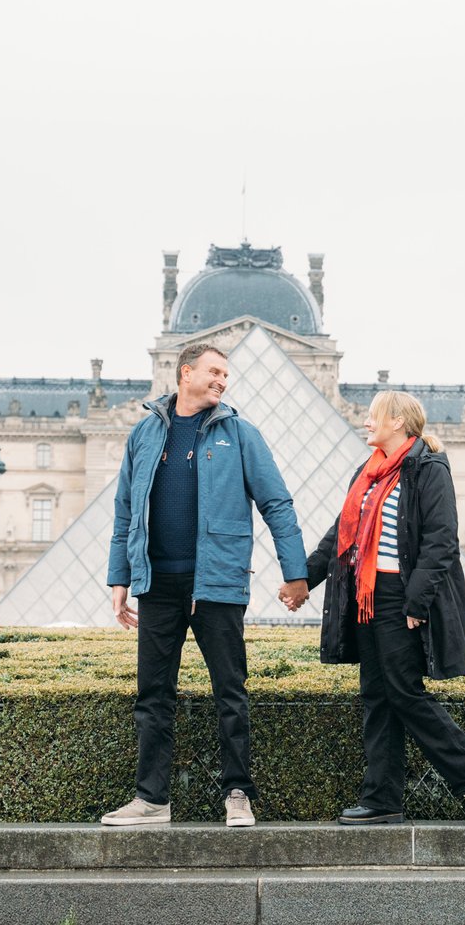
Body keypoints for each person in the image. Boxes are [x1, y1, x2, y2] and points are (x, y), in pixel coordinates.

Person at [101, 341, 310, 828]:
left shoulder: (240, 434)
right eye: (214, 371)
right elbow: (125, 511)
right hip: (157, 583)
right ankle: (152, 800)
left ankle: (238, 794)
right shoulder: (144, 433)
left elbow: (277, 503)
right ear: (185, 373)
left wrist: (296, 572)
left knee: (230, 693)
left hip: (216, 582)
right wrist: (120, 577)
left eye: (225, 375)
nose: (222, 380)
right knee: (153, 695)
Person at [293, 389, 465, 825]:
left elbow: (441, 540)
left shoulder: (428, 468)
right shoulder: (368, 473)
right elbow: (341, 536)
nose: (366, 421)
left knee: (404, 692)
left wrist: (416, 601)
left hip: (399, 596)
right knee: (377, 695)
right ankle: (382, 798)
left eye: (373, 415)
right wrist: (302, 579)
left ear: (397, 421)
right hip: (366, 597)